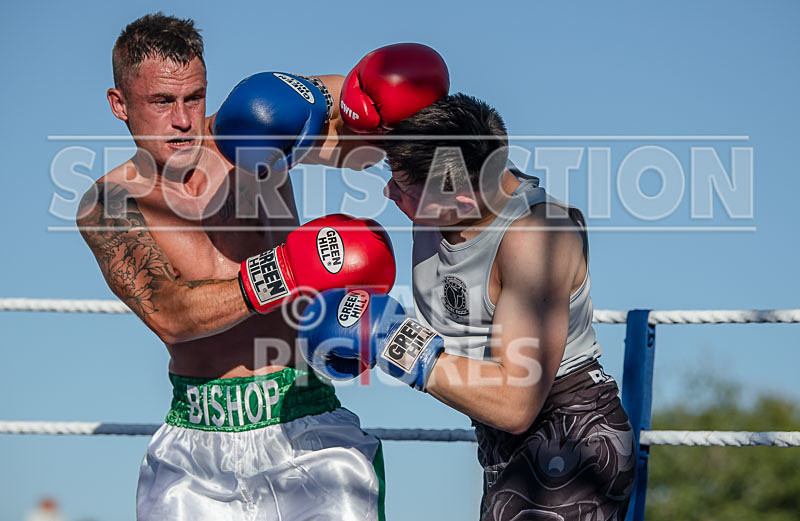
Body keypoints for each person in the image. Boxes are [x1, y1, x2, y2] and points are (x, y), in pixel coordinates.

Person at [76, 12, 448, 521]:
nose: (183, 119)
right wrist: (293, 267)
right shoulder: (109, 202)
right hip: (196, 446)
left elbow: (364, 147)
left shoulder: (252, 135)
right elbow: (172, 313)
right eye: (162, 102)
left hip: (303, 420)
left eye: (194, 97)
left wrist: (361, 105)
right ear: (120, 104)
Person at [299, 94, 637, 520]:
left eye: (404, 189)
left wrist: (393, 342)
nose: (389, 193)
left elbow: (515, 403)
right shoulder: (445, 153)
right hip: (501, 443)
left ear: (460, 202)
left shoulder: (536, 238)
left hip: (572, 436)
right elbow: (344, 110)